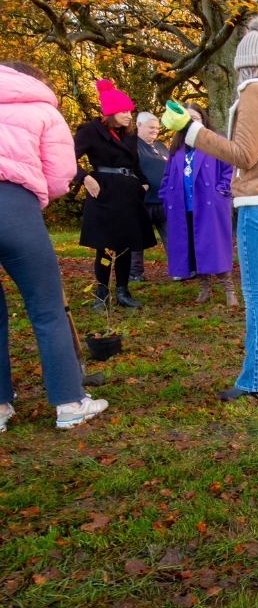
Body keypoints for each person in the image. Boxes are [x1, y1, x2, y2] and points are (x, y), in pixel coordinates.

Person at [161, 15, 258, 400]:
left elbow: (244, 155)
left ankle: (256, 380)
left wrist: (192, 132)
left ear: (244, 62)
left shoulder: (255, 92)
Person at [0, 61, 109, 431]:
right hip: (14, 205)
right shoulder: (42, 109)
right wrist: (36, 195)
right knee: (46, 308)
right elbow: (62, 175)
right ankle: (69, 401)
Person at [74, 78, 156, 309]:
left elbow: (135, 164)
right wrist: (85, 177)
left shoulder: (128, 136)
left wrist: (144, 183)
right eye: (124, 111)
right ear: (111, 111)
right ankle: (102, 291)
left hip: (129, 194)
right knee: (105, 244)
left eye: (130, 111)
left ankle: (123, 291)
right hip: (104, 191)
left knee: (126, 244)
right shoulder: (89, 131)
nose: (129, 116)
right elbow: (67, 158)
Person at [159, 103, 236, 306]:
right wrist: (166, 197)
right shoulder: (177, 147)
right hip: (183, 207)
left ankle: (229, 291)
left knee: (215, 247)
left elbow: (232, 168)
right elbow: (167, 176)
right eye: (188, 118)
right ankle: (204, 290)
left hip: (210, 205)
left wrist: (221, 190)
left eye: (196, 118)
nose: (192, 122)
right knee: (194, 248)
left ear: (203, 120)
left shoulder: (216, 142)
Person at [130, 111, 170, 282]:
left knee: (172, 236)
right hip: (142, 202)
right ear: (139, 125)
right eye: (151, 127)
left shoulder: (161, 146)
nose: (155, 131)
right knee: (137, 240)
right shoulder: (132, 145)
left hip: (164, 202)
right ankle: (135, 272)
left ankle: (179, 269)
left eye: (157, 128)